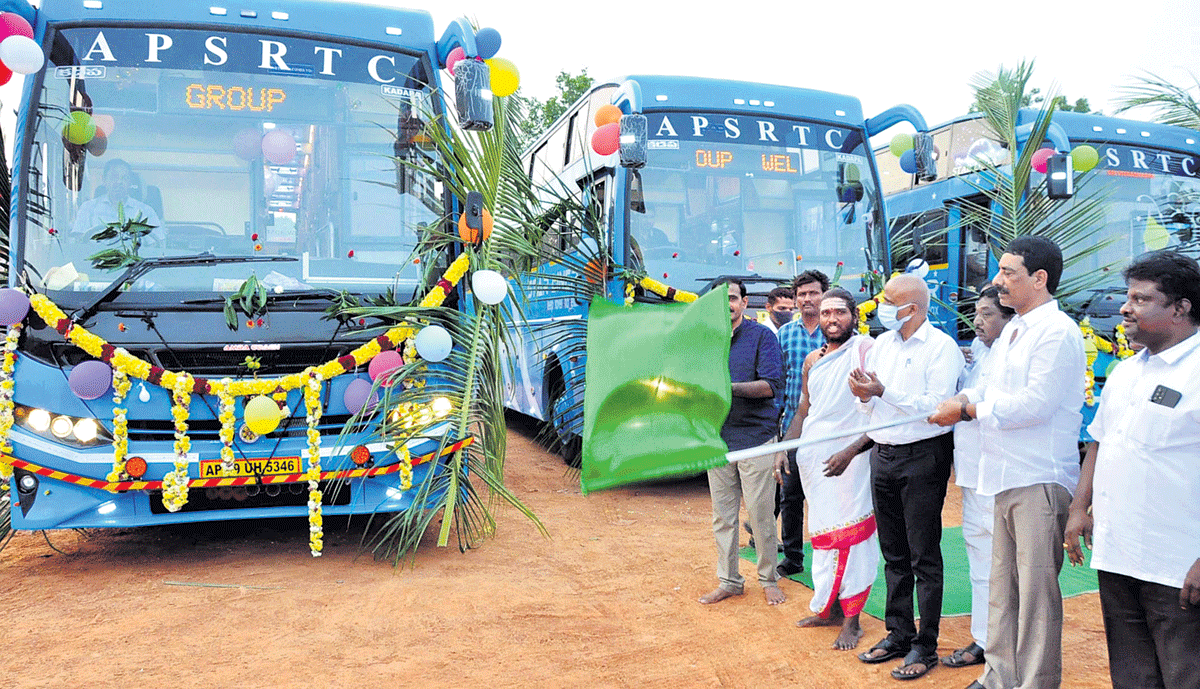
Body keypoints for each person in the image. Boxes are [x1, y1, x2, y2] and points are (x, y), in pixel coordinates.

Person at [929, 236, 1086, 689]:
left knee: (1035, 597)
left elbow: (1032, 405)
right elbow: (987, 386)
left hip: (1038, 478)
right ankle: (999, 677)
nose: (997, 280)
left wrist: (966, 410)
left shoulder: (1058, 332)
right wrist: (961, 398)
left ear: (1039, 279)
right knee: (1003, 591)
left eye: (1008, 272)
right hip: (1001, 478)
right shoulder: (1016, 328)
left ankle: (1035, 682)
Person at [1064, 251, 1200, 689]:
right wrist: (1079, 508)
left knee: (1185, 674)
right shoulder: (1124, 372)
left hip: (1177, 565)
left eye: (1141, 299)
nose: (1126, 308)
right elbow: (1099, 443)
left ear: (1180, 308)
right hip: (1119, 554)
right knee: (1133, 674)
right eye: (1129, 297)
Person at [853, 272, 963, 681]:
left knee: (923, 555)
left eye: (887, 299)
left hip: (923, 456)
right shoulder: (881, 344)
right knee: (893, 552)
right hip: (882, 454)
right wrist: (865, 396)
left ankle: (925, 645)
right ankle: (898, 633)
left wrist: (883, 393)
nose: (879, 305)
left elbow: (934, 407)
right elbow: (873, 403)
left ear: (912, 308)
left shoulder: (942, 348)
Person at [777, 287, 878, 650]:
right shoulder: (814, 362)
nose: (832, 319)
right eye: (825, 313)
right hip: (812, 459)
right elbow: (804, 411)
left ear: (853, 315)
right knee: (822, 533)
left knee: (852, 533)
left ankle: (853, 619)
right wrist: (784, 448)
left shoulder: (866, 350)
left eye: (839, 312)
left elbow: (876, 411)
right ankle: (830, 608)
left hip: (850, 459)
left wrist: (851, 452)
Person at [700, 279, 787, 607]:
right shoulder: (705, 341)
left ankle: (768, 579)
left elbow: (771, 386)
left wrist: (727, 387)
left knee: (761, 513)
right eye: (720, 301)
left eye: (733, 299)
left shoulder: (762, 337)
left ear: (744, 302)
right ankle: (729, 580)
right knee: (723, 516)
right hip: (716, 440)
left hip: (755, 439)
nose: (728, 305)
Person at [942, 285, 1014, 673]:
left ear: (1009, 317)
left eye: (988, 314)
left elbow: (987, 397)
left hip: (999, 476)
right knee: (980, 562)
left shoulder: (1012, 353)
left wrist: (959, 402)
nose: (978, 321)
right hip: (972, 475)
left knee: (1001, 565)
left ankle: (1004, 646)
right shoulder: (981, 349)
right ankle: (985, 640)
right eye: (977, 313)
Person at [772, 270, 830, 577]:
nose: (807, 299)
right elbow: (779, 382)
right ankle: (793, 557)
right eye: (802, 294)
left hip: (830, 428)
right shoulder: (785, 334)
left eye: (813, 293)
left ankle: (829, 556)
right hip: (794, 425)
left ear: (825, 295)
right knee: (790, 494)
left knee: (825, 493)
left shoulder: (837, 331)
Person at [72, 158, 162, 236]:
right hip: (97, 255)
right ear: (104, 180)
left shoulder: (146, 211)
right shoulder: (88, 208)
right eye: (114, 177)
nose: (119, 181)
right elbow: (79, 240)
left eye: (124, 178)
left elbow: (157, 245)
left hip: (134, 255)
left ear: (130, 182)